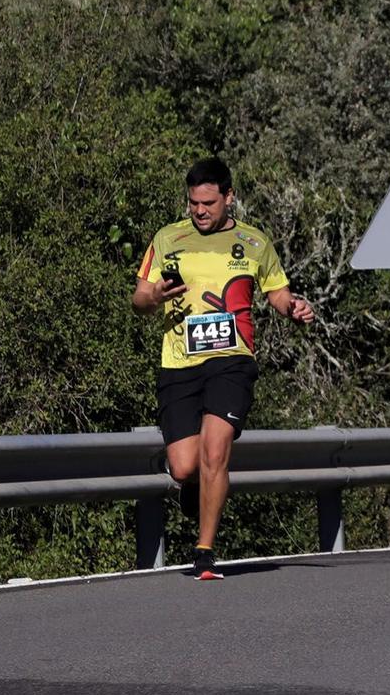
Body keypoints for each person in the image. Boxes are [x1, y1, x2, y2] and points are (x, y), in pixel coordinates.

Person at [132, 157, 314, 580]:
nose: (200, 211)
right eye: (194, 203)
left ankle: (205, 552)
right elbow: (138, 300)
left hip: (232, 361)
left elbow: (278, 294)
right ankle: (193, 488)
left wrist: (294, 308)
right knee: (183, 466)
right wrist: (156, 294)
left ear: (229, 198)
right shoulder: (167, 238)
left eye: (209, 203)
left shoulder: (254, 243)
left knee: (216, 450)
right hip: (178, 362)